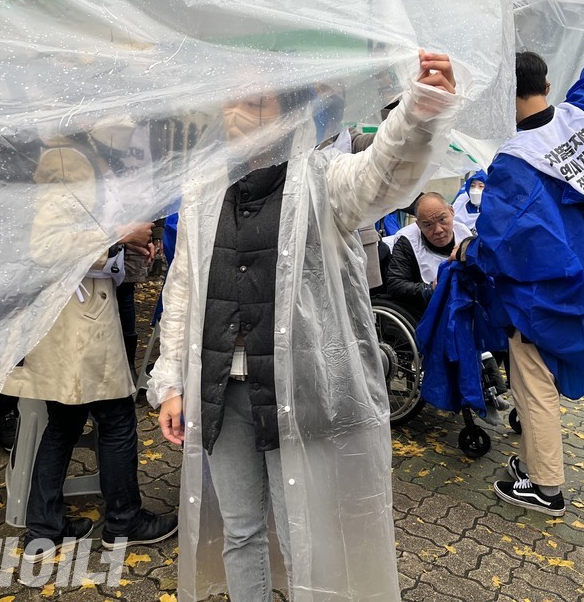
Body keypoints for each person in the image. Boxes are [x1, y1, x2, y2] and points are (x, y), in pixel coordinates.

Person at [149, 51, 463, 602]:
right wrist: (171, 381)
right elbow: (183, 290)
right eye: (232, 99)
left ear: (285, 114)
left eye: (254, 100)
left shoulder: (321, 182)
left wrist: (418, 111)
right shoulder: (203, 189)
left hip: (298, 392)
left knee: (305, 537)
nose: (237, 112)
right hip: (222, 389)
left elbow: (382, 175)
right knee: (242, 531)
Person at [453, 9, 584, 515]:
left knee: (533, 384)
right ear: (548, 83)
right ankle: (536, 465)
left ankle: (546, 486)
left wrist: (469, 250)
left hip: (548, 299)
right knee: (543, 383)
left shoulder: (515, 162)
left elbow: (502, 242)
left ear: (505, 97)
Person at [3, 125, 177, 562]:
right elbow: (47, 246)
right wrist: (120, 236)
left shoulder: (79, 160)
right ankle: (124, 520)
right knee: (117, 416)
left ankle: (45, 527)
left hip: (76, 317)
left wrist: (127, 251)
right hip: (77, 321)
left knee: (63, 419)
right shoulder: (69, 164)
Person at [386, 192, 473, 315]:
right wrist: (429, 289)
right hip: (424, 310)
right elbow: (395, 285)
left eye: (442, 220)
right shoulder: (407, 241)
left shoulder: (464, 233)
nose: (438, 230)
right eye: (428, 225)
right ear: (418, 224)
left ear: (452, 211)